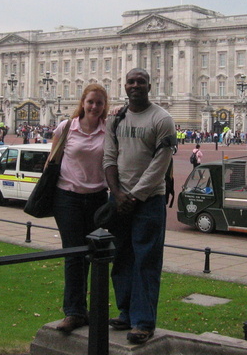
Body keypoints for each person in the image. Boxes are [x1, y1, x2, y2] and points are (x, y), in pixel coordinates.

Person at [103, 68, 175, 345]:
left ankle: (143, 321)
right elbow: (109, 157)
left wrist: (134, 197)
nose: (135, 86)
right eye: (131, 81)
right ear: (125, 85)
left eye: (140, 82)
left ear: (149, 86)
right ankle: (126, 312)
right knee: (121, 257)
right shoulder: (116, 118)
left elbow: (161, 163)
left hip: (148, 201)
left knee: (146, 261)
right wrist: (117, 193)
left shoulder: (163, 118)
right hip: (120, 198)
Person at [52, 84, 109, 333]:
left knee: (96, 256)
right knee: (74, 255)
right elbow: (51, 160)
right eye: (90, 102)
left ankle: (94, 309)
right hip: (68, 198)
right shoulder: (66, 127)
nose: (94, 106)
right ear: (82, 103)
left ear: (104, 106)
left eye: (99, 102)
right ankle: (74, 311)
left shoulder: (109, 130)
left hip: (97, 198)